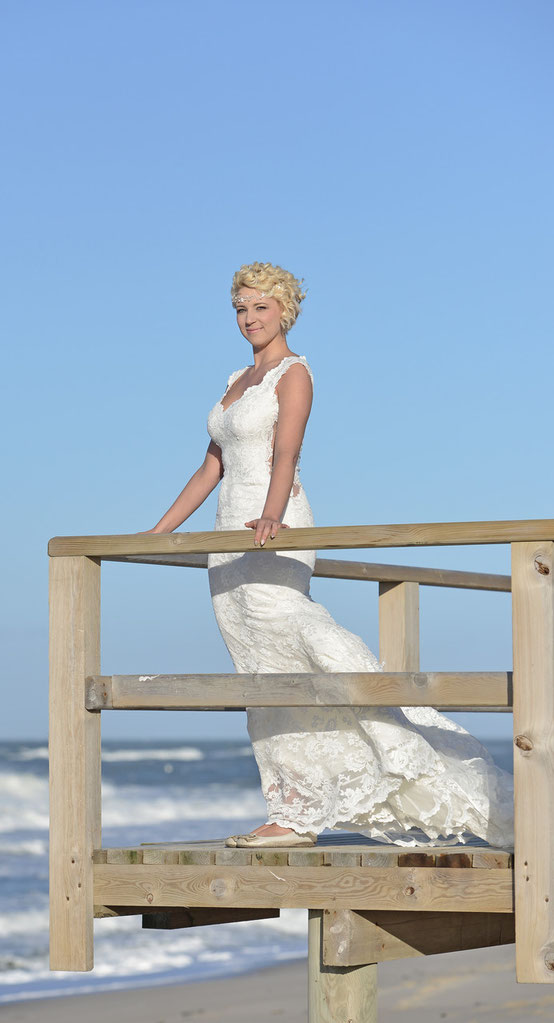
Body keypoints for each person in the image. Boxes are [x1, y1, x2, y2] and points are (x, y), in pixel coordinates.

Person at [146, 261, 514, 851]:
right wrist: (158, 533)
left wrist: (271, 516)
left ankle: (399, 747)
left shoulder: (294, 375)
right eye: (240, 309)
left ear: (284, 310)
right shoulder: (236, 380)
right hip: (224, 541)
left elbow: (285, 453)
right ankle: (292, 808)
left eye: (260, 308)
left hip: (272, 524)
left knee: (302, 640)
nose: (249, 319)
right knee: (260, 670)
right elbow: (210, 466)